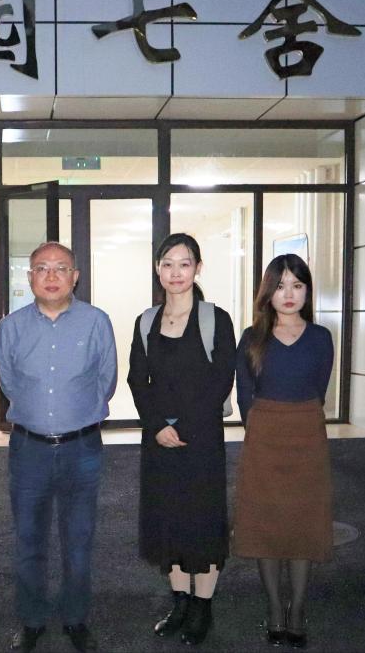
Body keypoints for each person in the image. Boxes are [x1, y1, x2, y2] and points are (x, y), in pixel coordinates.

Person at [0, 242, 117, 653]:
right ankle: (32, 620)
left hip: (81, 448)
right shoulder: (11, 327)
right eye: (42, 268)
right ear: (29, 276)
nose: (51, 276)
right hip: (28, 449)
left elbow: (106, 381)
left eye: (60, 268)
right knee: (28, 540)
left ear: (75, 276)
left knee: (78, 540)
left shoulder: (96, 322)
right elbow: (9, 382)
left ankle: (75, 618)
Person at [127, 233, 236, 646]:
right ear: (158, 269)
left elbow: (221, 379)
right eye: (168, 264)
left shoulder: (215, 319)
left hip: (201, 439)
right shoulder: (146, 321)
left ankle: (202, 606)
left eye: (184, 263)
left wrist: (186, 428)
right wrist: (157, 425)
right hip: (159, 440)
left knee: (202, 520)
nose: (176, 272)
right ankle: (180, 602)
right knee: (167, 518)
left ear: (198, 268)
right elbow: (137, 380)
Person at [233, 254, 334, 649]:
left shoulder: (321, 337)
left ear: (307, 291)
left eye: (297, 285)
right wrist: (261, 427)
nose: (288, 294)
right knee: (266, 524)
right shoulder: (251, 337)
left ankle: (298, 610)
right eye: (280, 286)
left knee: (303, 524)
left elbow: (319, 390)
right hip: (264, 438)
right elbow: (245, 395)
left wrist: (299, 419)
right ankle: (276, 608)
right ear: (268, 293)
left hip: (307, 435)